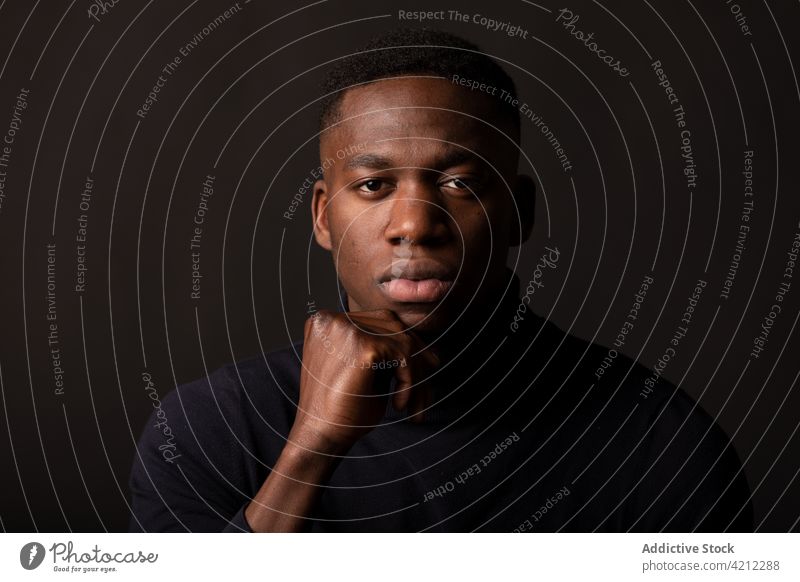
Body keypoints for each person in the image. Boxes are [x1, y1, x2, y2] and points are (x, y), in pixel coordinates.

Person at [128, 28, 753, 532]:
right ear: (323, 216)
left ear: (519, 213)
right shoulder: (208, 428)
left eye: (459, 183)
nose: (414, 225)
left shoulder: (658, 441)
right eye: (373, 186)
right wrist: (310, 450)